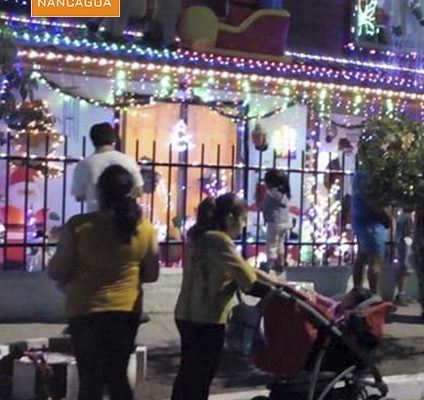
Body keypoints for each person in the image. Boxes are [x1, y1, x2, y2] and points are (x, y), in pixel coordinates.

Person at [48, 165, 160, 400]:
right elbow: (151, 273)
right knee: (118, 376)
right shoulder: (143, 228)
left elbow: (58, 270)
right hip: (126, 311)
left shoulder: (79, 226)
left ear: (99, 192)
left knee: (90, 380)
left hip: (85, 310)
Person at [172, 193, 279, 400]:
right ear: (230, 218)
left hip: (185, 314)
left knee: (187, 374)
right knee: (201, 378)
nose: (244, 225)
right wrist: (275, 292)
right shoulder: (220, 241)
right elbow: (249, 282)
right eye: (243, 219)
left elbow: (243, 269)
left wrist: (273, 282)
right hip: (208, 318)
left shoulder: (199, 237)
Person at [71, 122, 144, 212]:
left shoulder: (84, 164)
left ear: (93, 140)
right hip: (124, 214)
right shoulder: (128, 160)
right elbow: (139, 191)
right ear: (114, 139)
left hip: (96, 213)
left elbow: (79, 196)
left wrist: (92, 193)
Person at [351, 170, 391, 294]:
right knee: (375, 260)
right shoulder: (372, 176)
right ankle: (374, 294)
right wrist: (387, 216)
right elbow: (373, 201)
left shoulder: (358, 175)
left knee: (362, 256)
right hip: (373, 223)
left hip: (360, 221)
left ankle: (357, 290)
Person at [260, 169, 292, 273]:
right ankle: (281, 263)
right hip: (285, 221)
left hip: (274, 222)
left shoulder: (270, 194)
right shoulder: (284, 193)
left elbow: (263, 206)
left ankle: (269, 265)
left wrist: (259, 204)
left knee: (271, 243)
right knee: (280, 243)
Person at [394, 208, 415, 306]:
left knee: (404, 269)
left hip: (403, 245)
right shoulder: (407, 217)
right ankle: (401, 294)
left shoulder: (402, 216)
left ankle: (402, 293)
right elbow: (409, 234)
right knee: (403, 269)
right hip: (405, 246)